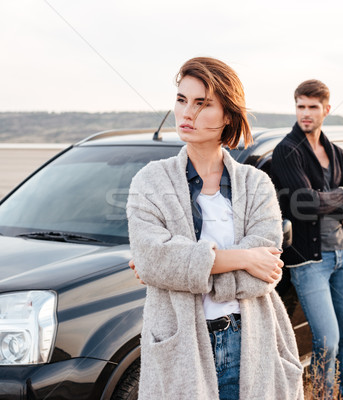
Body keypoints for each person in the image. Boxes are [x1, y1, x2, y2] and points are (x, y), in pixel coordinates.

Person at [126, 57, 303, 400]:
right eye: (182, 100)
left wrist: (178, 269)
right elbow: (152, 260)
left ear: (227, 115)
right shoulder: (150, 181)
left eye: (203, 104)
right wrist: (245, 257)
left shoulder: (257, 184)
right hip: (181, 342)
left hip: (249, 339)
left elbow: (263, 273)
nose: (187, 113)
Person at [271, 79, 343, 400]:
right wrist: (340, 194)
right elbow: (305, 203)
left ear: (326, 109)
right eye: (300, 106)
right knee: (327, 340)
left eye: (313, 107)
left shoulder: (338, 154)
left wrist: (326, 198)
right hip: (309, 260)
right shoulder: (287, 150)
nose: (306, 113)